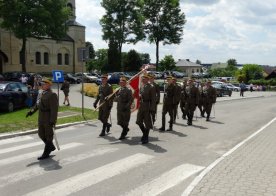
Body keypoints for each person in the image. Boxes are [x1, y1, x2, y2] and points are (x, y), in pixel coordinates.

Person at [26, 78, 58, 160]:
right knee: (41, 134)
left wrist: (52, 121)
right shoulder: (41, 93)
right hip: (41, 117)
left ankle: (46, 153)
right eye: (41, 84)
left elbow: (54, 109)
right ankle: (51, 146)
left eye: (43, 84)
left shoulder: (52, 95)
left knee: (48, 135)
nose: (42, 85)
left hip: (48, 118)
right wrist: (31, 112)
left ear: (48, 85)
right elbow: (37, 105)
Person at [136, 73, 156, 144]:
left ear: (147, 79)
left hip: (148, 105)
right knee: (138, 121)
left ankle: (146, 137)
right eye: (142, 79)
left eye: (144, 79)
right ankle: (145, 133)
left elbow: (153, 99)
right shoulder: (142, 86)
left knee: (147, 123)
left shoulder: (151, 87)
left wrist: (152, 109)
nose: (143, 80)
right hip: (141, 106)